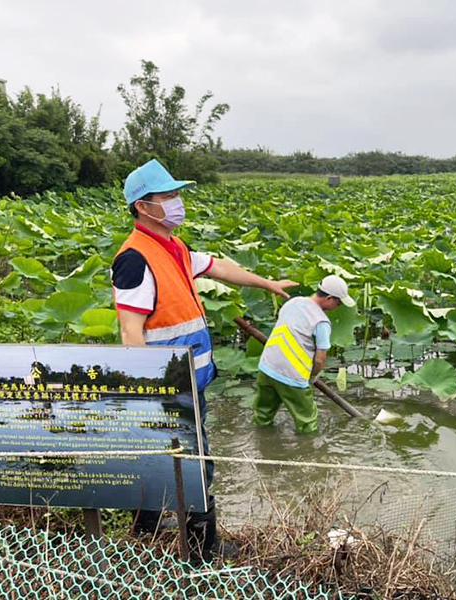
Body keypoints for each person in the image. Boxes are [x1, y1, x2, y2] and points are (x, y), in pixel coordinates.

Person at [111, 158, 297, 557]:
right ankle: (201, 547)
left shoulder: (174, 248)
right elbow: (130, 330)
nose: (178, 202)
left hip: (190, 382)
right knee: (195, 461)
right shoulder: (134, 259)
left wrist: (266, 283)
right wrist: (151, 394)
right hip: (166, 388)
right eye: (169, 196)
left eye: (178, 194)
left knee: (170, 456)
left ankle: (147, 530)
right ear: (143, 206)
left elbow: (218, 268)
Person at [254, 275, 354, 434]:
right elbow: (320, 360)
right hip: (292, 375)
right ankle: (309, 453)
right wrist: (312, 377)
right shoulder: (321, 322)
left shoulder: (293, 302)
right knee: (307, 422)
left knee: (262, 415)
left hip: (267, 367)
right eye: (338, 302)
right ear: (329, 298)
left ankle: (262, 443)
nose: (338, 305)